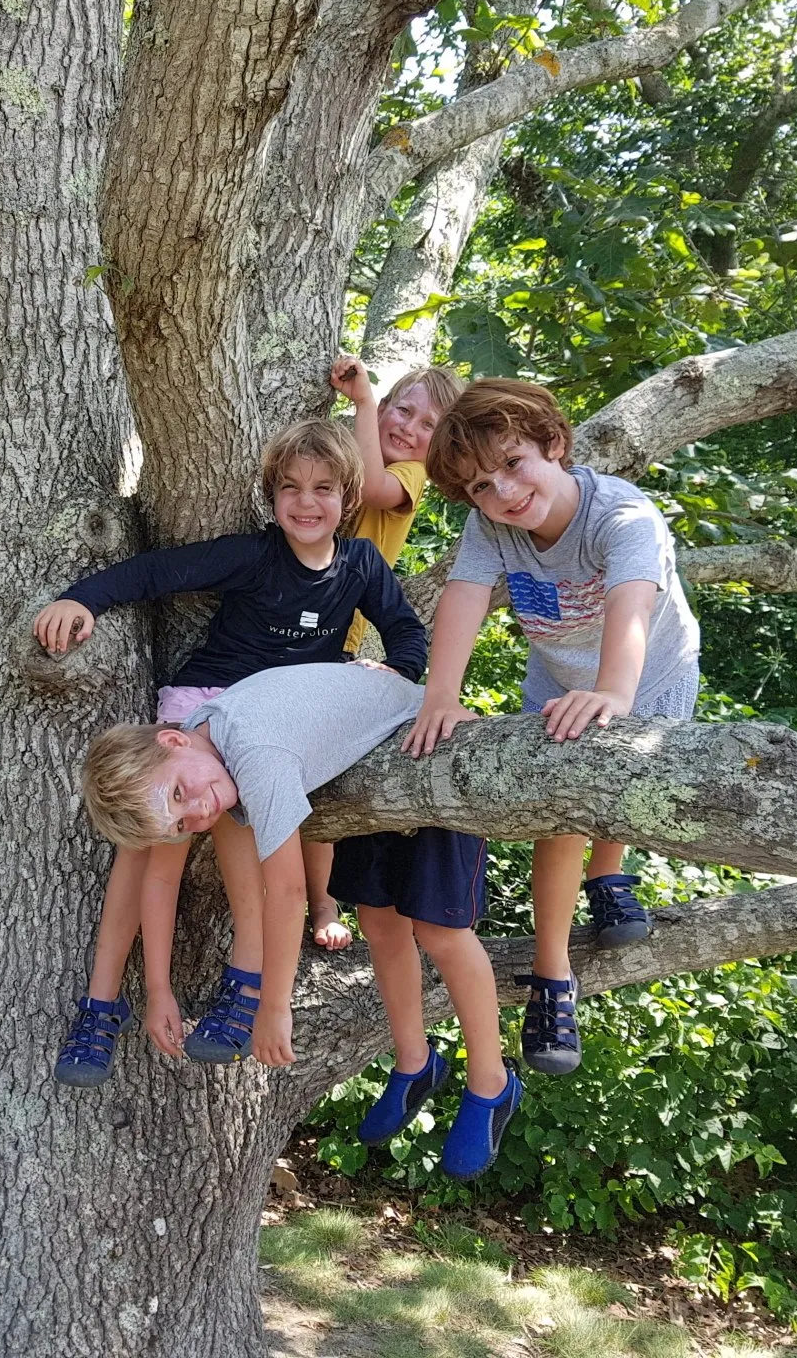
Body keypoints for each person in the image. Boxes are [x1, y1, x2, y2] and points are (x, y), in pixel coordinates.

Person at [34, 419, 427, 1086]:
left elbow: (406, 632)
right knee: (150, 852)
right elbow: (160, 571)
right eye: (290, 488)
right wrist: (82, 598)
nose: (306, 502)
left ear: (349, 497)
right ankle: (108, 1002)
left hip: (274, 723)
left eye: (324, 489)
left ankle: (246, 987)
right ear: (272, 497)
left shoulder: (361, 565)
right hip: (205, 708)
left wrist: (396, 671)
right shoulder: (255, 555)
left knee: (248, 852)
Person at [79, 662, 525, 1177]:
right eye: (181, 823)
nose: (198, 813)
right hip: (369, 777)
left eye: (179, 793)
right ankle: (415, 1063)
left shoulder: (254, 754)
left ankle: (491, 1084)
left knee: (440, 933)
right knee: (379, 924)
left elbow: (288, 893)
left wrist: (273, 1007)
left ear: (173, 741)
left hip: (430, 745)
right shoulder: (207, 731)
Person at [404, 379, 700, 1076]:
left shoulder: (622, 516)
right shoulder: (492, 527)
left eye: (512, 463)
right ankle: (552, 973)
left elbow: (631, 608)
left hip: (649, 673)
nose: (503, 491)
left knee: (622, 788)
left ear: (553, 444)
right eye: (480, 485)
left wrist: (614, 693)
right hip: (560, 674)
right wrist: (440, 696)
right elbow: (464, 598)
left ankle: (610, 875)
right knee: (561, 815)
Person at [305, 355, 464, 952]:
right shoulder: (347, 451)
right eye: (404, 410)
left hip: (335, 635)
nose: (410, 428)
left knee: (316, 776)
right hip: (285, 616)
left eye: (429, 425)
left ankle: (323, 901)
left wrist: (365, 403)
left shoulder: (411, 476)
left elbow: (373, 488)